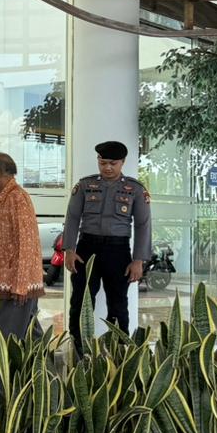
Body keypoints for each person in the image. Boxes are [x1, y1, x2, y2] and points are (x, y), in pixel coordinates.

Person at [63, 140, 151, 355]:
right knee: (81, 301)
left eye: (113, 163)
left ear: (122, 162)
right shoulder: (85, 186)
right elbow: (72, 218)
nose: (108, 168)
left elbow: (143, 224)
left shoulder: (135, 189)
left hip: (118, 251)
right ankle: (78, 350)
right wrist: (69, 250)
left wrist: (138, 260)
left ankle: (119, 352)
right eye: (103, 163)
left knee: (118, 303)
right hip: (86, 249)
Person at [0, 153, 45, 400]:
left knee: (3, 347)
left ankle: (1, 400)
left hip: (16, 289)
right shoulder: (5, 198)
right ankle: (49, 394)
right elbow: (4, 246)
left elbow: (27, 244)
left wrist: (20, 286)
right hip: (9, 284)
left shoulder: (18, 198)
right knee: (33, 343)